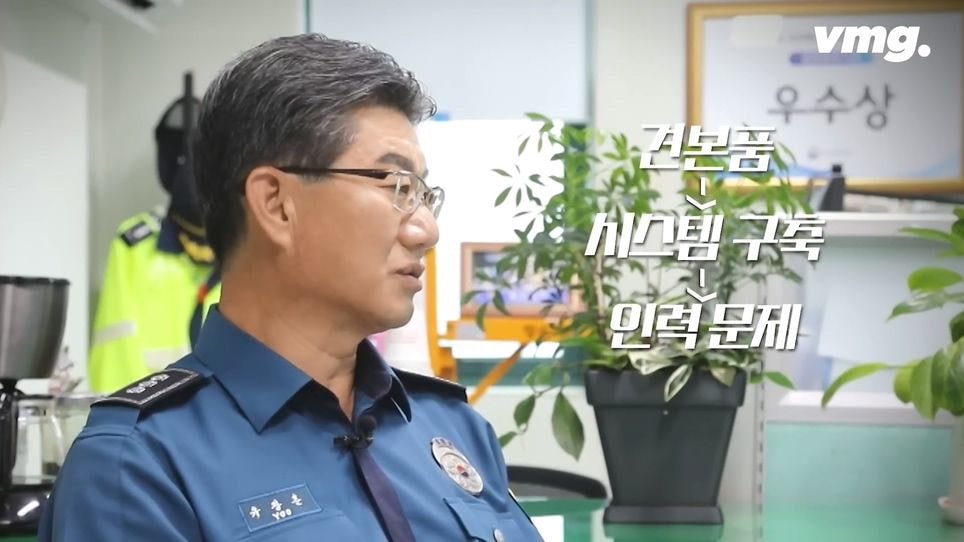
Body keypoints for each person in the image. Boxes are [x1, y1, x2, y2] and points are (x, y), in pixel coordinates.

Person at [39, 34, 543, 541]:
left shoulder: (454, 430)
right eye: (396, 186)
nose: (426, 230)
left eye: (424, 195)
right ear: (276, 203)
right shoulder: (138, 468)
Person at [87, 95, 221, 393]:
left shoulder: (242, 245)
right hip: (149, 414)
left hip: (225, 415)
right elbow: (115, 356)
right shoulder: (136, 243)